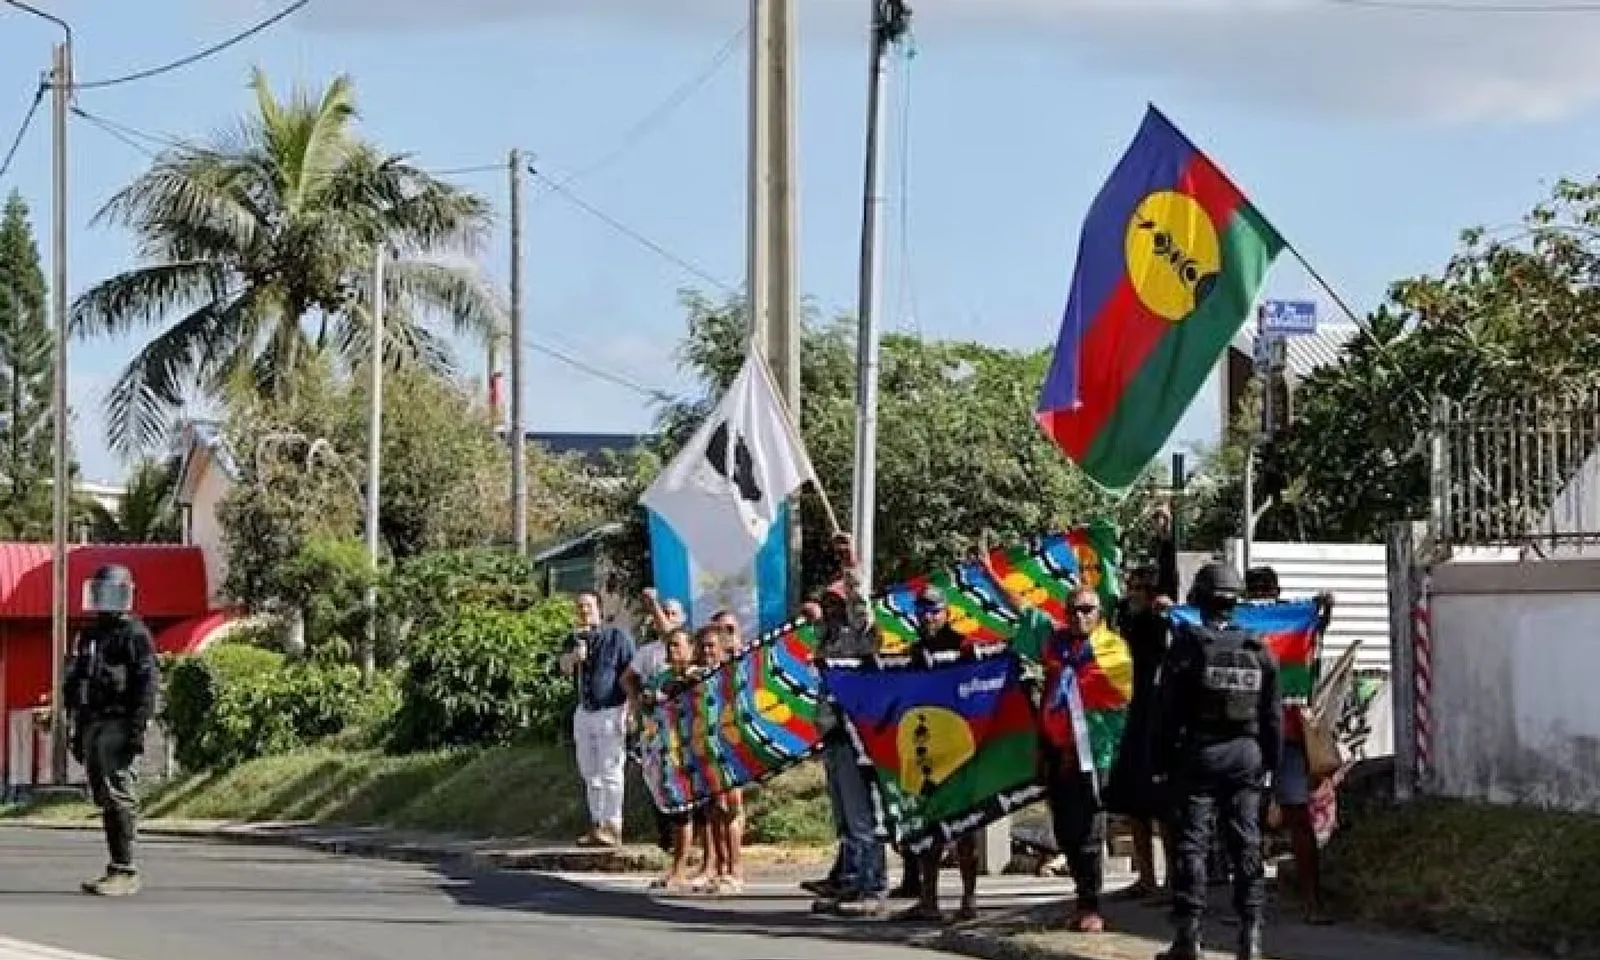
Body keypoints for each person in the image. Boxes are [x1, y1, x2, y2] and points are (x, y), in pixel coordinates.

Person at [1155, 562, 1283, 960]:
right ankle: (1251, 937)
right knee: (1247, 843)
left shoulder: (1189, 645)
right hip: (1247, 755)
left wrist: (1161, 762)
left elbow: (1167, 711)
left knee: (1193, 845)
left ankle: (1188, 937)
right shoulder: (1259, 648)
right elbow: (1273, 717)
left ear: (1199, 599)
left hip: (1201, 753)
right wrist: (1271, 765)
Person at [1002, 577, 1119, 934]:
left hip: (1094, 753)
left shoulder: (1112, 650)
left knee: (1090, 831)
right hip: (1057, 751)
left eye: (1087, 609)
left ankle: (1091, 904)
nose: (1079, 616)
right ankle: (1080, 898)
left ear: (1099, 613)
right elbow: (1023, 610)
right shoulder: (1055, 643)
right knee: (1065, 831)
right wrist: (990, 576)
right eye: (1073, 610)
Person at [1244, 566, 1336, 925]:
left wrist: (1323, 609)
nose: (1261, 594)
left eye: (1266, 587)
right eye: (1255, 588)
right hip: (1248, 735)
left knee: (1297, 816)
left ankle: (1312, 898)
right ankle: (1248, 904)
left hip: (1288, 735)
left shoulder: (1290, 624)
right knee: (1246, 820)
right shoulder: (1236, 624)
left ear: (1277, 590)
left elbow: (1317, 630)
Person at [806, 533, 889, 917]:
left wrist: (850, 565)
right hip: (833, 736)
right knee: (844, 819)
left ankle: (873, 886)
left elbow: (862, 609)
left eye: (835, 603)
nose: (830, 610)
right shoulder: (827, 641)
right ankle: (851, 882)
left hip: (857, 737)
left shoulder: (859, 636)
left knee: (862, 817)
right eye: (827, 604)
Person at [65, 564, 159, 897]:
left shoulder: (134, 634)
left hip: (119, 721)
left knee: (118, 792)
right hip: (92, 721)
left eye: (111, 592)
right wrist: (77, 729)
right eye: (100, 592)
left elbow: (146, 683)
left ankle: (125, 869)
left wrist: (136, 729)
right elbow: (78, 680)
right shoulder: (90, 635)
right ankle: (114, 866)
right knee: (103, 794)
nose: (105, 600)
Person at [891, 586, 982, 924]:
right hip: (927, 750)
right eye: (922, 611)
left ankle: (969, 899)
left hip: (960, 749)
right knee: (929, 828)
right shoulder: (914, 651)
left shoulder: (964, 646)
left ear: (946, 612)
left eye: (934, 611)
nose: (928, 617)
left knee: (966, 827)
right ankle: (928, 900)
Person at [1104, 564, 1174, 900]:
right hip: (1129, 716)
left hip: (1158, 717)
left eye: (1143, 588)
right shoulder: (1123, 617)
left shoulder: (1166, 620)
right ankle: (1146, 877)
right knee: (1133, 802)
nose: (1136, 594)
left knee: (1163, 805)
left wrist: (1168, 612)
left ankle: (1172, 878)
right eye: (1132, 587)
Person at [559, 590, 637, 848]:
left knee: (610, 770)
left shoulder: (616, 637)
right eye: (580, 606)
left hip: (611, 710)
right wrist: (575, 656)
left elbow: (631, 672)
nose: (584, 611)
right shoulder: (574, 639)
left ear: (599, 609)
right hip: (585, 711)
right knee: (589, 771)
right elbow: (563, 668)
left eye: (588, 606)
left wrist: (630, 710)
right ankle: (597, 823)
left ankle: (614, 825)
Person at [642, 627, 702, 893]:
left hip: (693, 750)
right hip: (667, 749)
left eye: (677, 645)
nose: (672, 650)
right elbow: (648, 699)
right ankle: (678, 866)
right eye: (669, 645)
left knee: (694, 811)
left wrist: (670, 691)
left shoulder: (698, 675)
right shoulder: (662, 676)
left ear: (691, 648)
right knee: (676, 811)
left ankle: (692, 868)